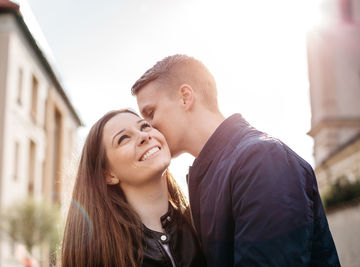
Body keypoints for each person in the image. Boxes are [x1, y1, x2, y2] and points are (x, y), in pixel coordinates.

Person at [132, 54, 340, 266]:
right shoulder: (211, 174)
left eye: (150, 113)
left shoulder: (261, 159)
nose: (148, 128)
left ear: (185, 97)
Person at [61, 109, 206, 267]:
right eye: (123, 138)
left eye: (144, 126)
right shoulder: (103, 253)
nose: (144, 136)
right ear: (108, 175)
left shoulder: (202, 220)